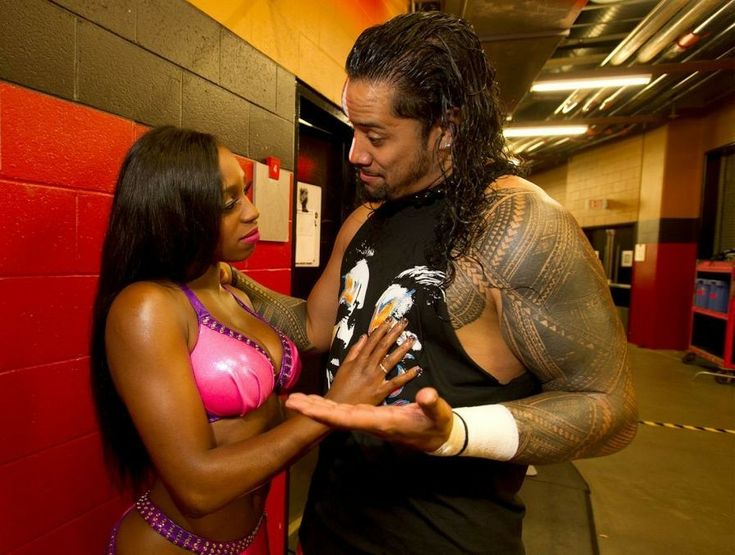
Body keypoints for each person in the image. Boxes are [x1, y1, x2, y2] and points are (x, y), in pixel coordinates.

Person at [226, 10, 639, 554]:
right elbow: (313, 327)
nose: (354, 152)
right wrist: (229, 279)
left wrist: (455, 434)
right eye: (354, 129)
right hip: (331, 532)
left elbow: (609, 407)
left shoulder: (518, 227)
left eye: (375, 135)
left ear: (448, 128)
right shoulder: (366, 220)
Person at [90, 126, 420, 555]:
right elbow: (197, 486)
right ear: (179, 212)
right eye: (229, 203)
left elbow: (299, 355)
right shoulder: (147, 308)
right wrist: (334, 407)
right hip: (177, 544)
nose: (251, 211)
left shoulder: (233, 292)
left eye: (245, 191)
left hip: (252, 538)